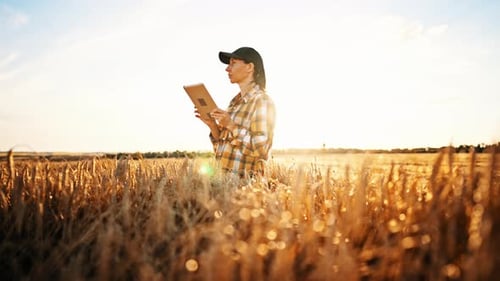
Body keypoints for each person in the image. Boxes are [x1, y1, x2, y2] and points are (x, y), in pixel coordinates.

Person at [195, 47, 276, 178]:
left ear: (250, 67)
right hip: (224, 185)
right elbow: (222, 150)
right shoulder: (234, 103)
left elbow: (260, 149)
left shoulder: (262, 101)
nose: (227, 69)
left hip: (246, 189)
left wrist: (231, 125)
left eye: (233, 63)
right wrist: (212, 126)